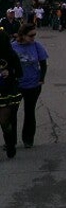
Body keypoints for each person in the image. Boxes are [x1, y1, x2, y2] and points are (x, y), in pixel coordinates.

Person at [10, 23, 48, 148]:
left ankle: (28, 138)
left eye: (34, 35)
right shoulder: (13, 47)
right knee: (11, 114)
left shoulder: (36, 46)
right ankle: (11, 140)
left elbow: (43, 64)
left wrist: (41, 79)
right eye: (30, 35)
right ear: (22, 35)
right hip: (17, 85)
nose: (33, 38)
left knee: (30, 112)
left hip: (33, 85)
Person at [0, 30, 22, 158]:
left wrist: (9, 72)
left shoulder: (11, 54)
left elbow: (19, 73)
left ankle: (10, 144)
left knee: (4, 121)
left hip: (6, 91)